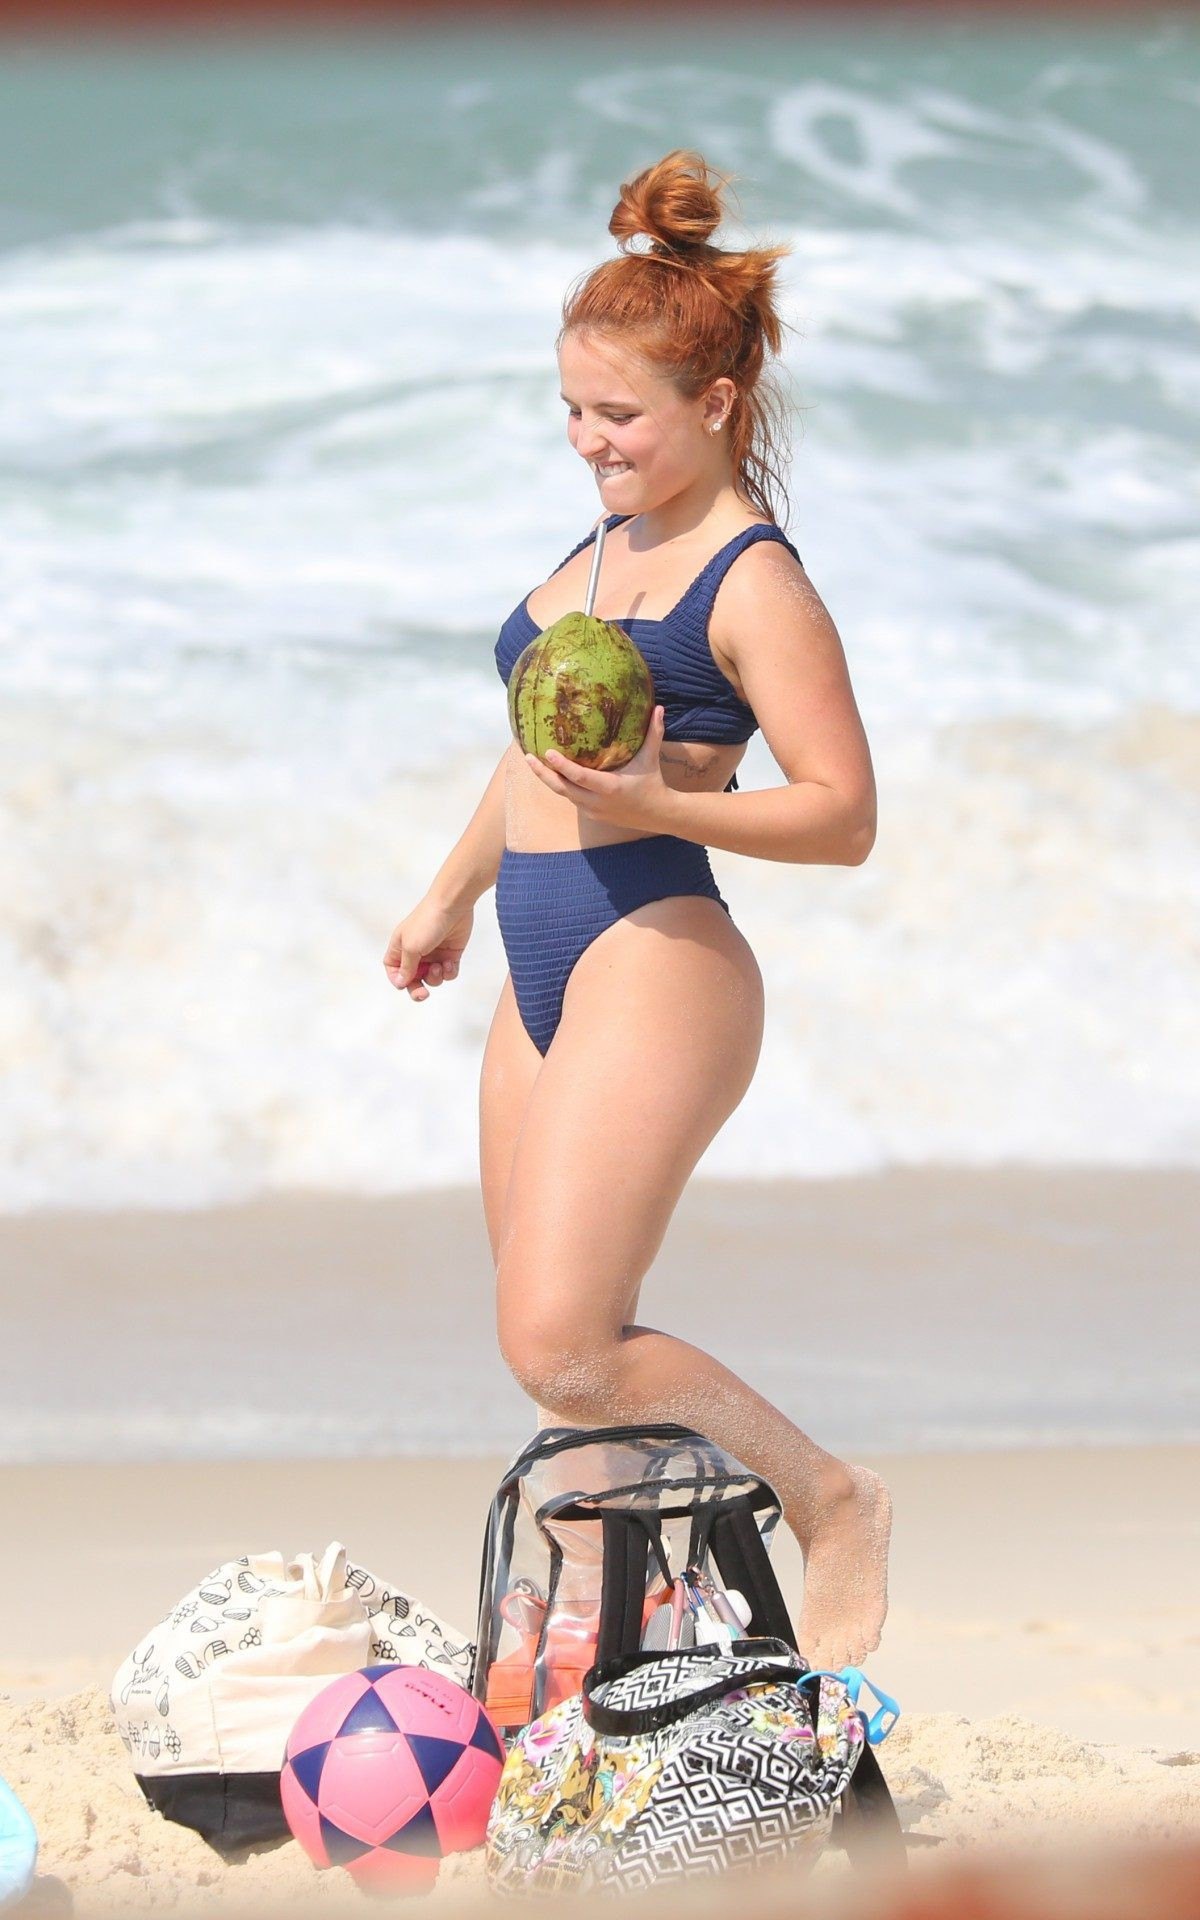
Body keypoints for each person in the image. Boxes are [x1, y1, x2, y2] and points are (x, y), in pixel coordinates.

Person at [383, 150, 890, 1668]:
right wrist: (449, 895)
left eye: (619, 417)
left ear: (715, 407)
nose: (588, 443)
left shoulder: (748, 580)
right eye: (572, 411)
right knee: (564, 1365)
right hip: (536, 950)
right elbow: (532, 751)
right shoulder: (599, 547)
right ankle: (630, 1629)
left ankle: (832, 1496)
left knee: (564, 1336)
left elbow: (846, 814)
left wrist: (664, 799)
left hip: (657, 949)